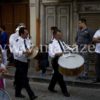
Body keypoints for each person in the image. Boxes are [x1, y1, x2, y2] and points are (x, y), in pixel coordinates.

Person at [12, 27, 37, 100]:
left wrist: (32, 49)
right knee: (24, 79)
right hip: (19, 62)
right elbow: (15, 52)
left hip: (25, 61)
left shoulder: (27, 40)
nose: (27, 34)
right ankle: (31, 95)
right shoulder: (16, 41)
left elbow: (30, 46)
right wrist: (23, 52)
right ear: (21, 34)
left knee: (20, 78)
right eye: (26, 33)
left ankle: (17, 93)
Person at [48, 29, 73, 97]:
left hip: (62, 59)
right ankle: (65, 91)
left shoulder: (61, 42)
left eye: (60, 35)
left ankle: (50, 87)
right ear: (54, 35)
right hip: (56, 60)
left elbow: (66, 47)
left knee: (56, 75)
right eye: (58, 35)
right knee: (60, 76)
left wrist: (72, 48)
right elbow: (51, 54)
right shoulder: (51, 43)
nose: (60, 36)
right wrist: (57, 54)